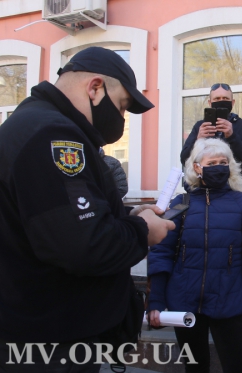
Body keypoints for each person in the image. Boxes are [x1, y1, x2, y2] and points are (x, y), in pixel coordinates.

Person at [0, 47, 175, 372]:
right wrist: (143, 232)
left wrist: (125, 220)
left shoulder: (32, 124)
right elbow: (86, 244)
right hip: (52, 348)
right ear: (94, 88)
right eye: (122, 106)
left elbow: (65, 221)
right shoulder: (55, 136)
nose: (121, 119)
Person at [148, 138, 242, 373]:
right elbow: (161, 252)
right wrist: (156, 302)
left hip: (230, 300)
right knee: (194, 367)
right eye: (212, 162)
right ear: (197, 168)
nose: (219, 166)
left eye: (223, 162)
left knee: (239, 367)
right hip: (185, 302)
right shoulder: (180, 204)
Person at [180, 83, 242, 190]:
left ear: (232, 102)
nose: (221, 101)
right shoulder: (200, 126)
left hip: (236, 190)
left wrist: (232, 137)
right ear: (210, 103)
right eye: (217, 98)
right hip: (204, 191)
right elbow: (184, 160)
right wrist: (198, 139)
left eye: (225, 98)